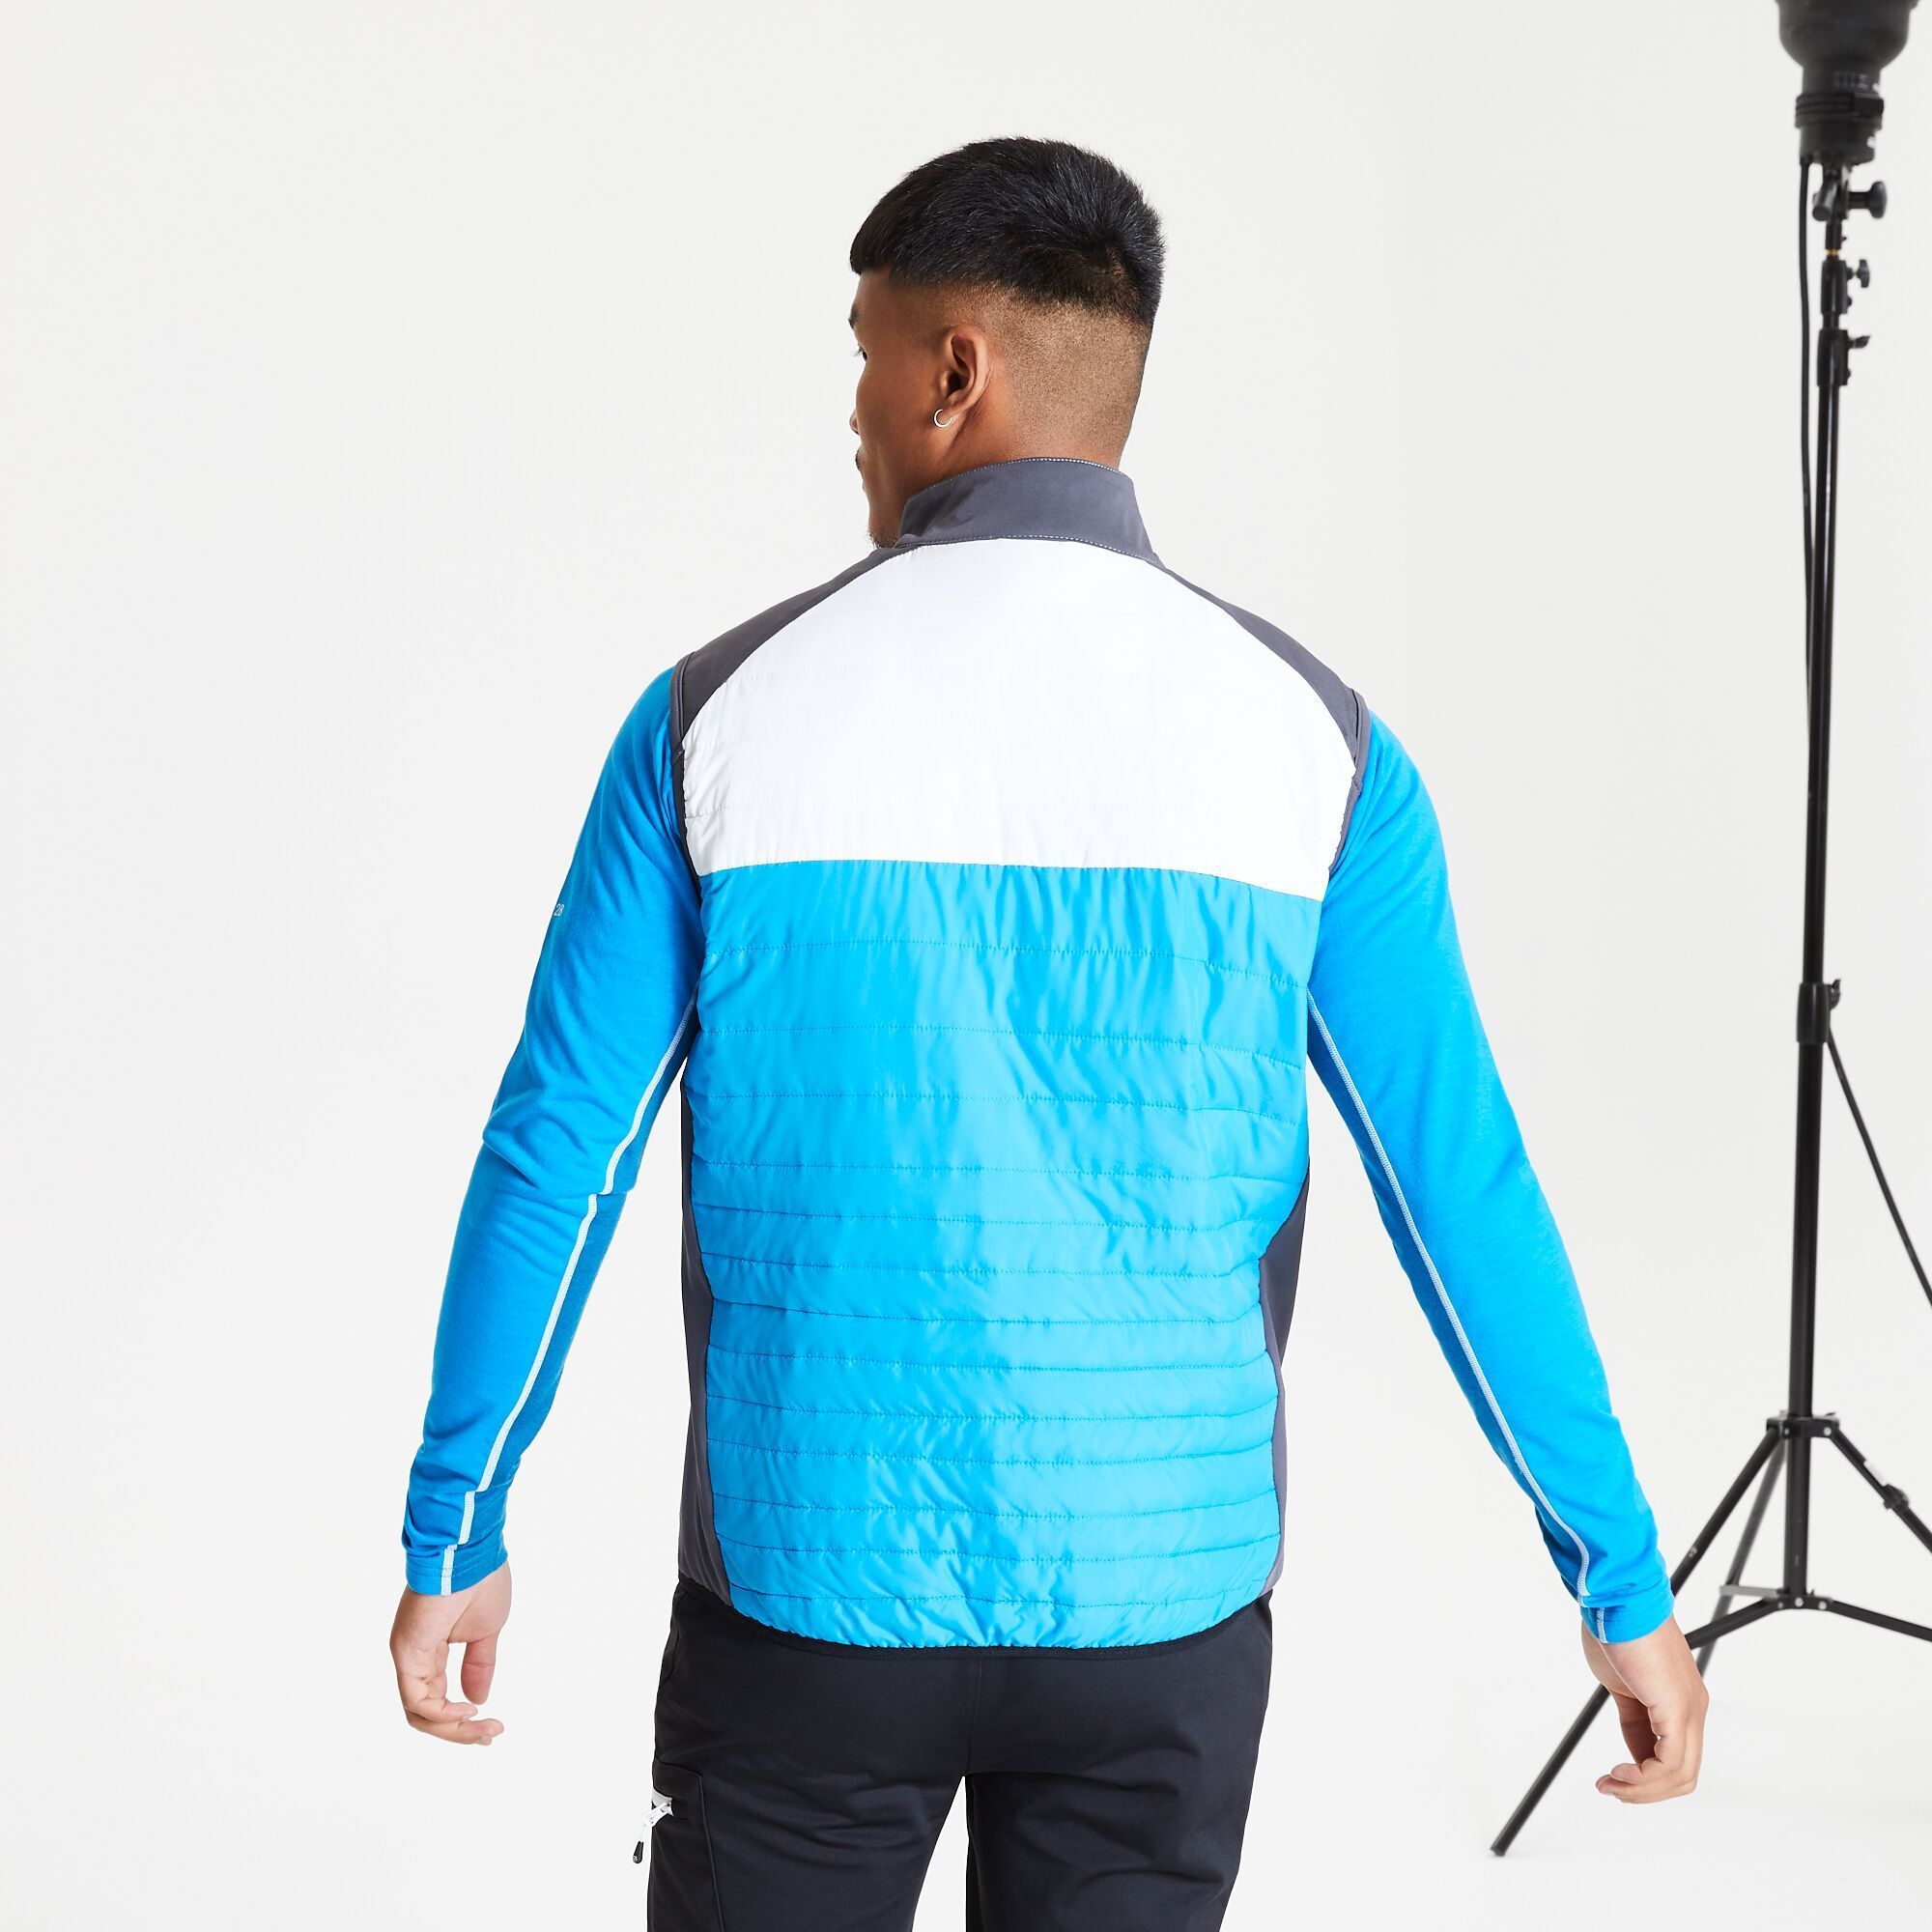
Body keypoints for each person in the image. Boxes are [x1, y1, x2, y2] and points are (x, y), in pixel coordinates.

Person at [389, 134, 1708, 1928]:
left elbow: (558, 1148)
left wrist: (457, 1525)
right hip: (1161, 1618)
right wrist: (1619, 1578)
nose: (851, 407)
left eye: (866, 351)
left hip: (809, 1598)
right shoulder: (1316, 743)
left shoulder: (715, 717)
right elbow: (1456, 1185)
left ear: (957, 370)